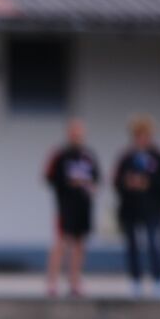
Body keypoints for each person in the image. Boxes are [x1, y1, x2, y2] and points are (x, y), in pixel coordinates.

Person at [43, 117, 101, 298]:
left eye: (80, 132)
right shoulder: (60, 155)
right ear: (69, 134)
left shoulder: (88, 156)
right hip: (65, 207)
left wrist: (89, 186)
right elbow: (49, 177)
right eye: (74, 132)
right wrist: (70, 183)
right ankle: (52, 283)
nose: (77, 136)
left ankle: (75, 282)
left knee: (79, 245)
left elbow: (97, 179)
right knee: (61, 243)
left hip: (83, 207)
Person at [113, 114, 160, 297]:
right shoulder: (126, 157)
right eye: (138, 135)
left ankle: (159, 280)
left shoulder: (158, 157)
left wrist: (147, 182)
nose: (142, 139)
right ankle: (135, 280)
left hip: (151, 208)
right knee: (132, 246)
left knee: (154, 244)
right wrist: (128, 183)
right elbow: (116, 181)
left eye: (145, 135)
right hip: (130, 209)